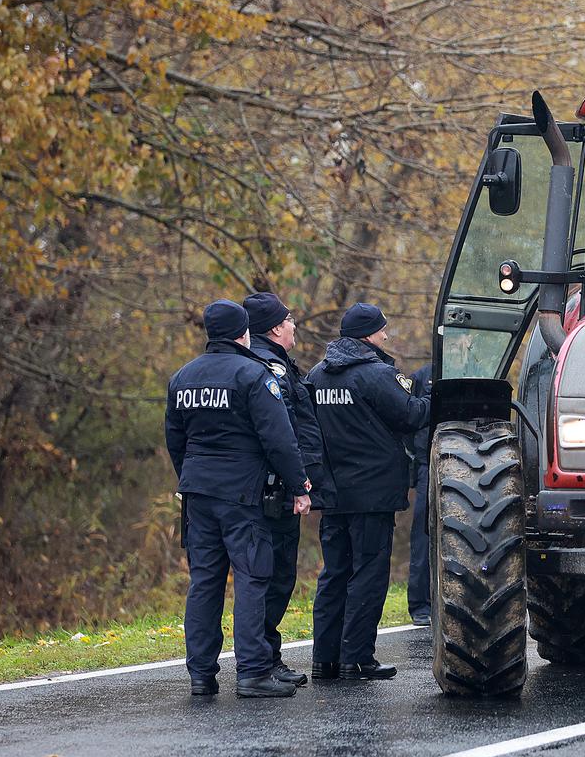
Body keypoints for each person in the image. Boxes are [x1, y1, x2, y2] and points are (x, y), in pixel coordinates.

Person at [164, 299, 312, 698]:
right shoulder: (253, 375)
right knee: (253, 578)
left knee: (204, 583)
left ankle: (201, 675)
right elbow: (279, 439)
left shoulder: (182, 377)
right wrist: (299, 486)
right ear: (244, 333)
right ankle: (251, 672)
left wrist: (193, 478)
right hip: (242, 495)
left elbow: (174, 441)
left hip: (197, 495)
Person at [308, 303, 431, 680]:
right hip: (373, 492)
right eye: (381, 330)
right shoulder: (376, 374)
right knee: (368, 575)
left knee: (334, 573)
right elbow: (410, 415)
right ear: (366, 336)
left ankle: (324, 659)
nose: (385, 336)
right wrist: (432, 398)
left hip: (333, 492)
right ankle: (357, 657)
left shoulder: (317, 375)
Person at [244, 291, 333, 687]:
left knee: (274, 574)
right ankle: (263, 660)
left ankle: (267, 656)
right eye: (290, 319)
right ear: (277, 327)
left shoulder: (274, 363)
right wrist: (298, 483)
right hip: (274, 489)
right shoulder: (271, 370)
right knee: (275, 574)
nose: (295, 324)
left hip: (273, 485)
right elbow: (283, 434)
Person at [406, 364, 432, 626]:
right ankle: (419, 604)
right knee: (423, 535)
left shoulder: (479, 373)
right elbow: (407, 421)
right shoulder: (423, 377)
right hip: (427, 463)